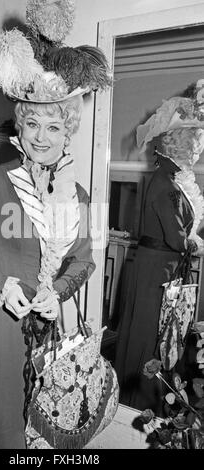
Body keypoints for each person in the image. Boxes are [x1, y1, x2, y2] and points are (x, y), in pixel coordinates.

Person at [0, 1, 111, 449]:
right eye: (32, 123)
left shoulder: (81, 196)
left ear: (67, 131)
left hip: (45, 324)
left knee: (33, 432)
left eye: (53, 126)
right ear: (20, 126)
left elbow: (84, 260)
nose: (41, 136)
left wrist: (59, 294)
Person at [114, 81, 204, 415]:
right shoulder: (166, 183)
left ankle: (148, 397)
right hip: (157, 272)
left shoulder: (165, 179)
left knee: (158, 331)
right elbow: (176, 238)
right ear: (181, 145)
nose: (197, 152)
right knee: (153, 332)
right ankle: (142, 402)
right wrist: (195, 244)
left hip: (157, 268)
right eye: (195, 145)